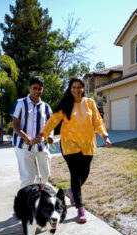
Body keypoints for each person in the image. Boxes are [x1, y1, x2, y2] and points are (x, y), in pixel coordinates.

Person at [36, 77, 111, 223]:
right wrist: (42, 133)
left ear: (83, 88)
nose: (76, 90)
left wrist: (105, 136)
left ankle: (71, 191)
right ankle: (80, 208)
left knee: (85, 173)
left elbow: (97, 120)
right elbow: (53, 121)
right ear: (70, 89)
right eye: (73, 87)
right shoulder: (66, 105)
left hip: (88, 144)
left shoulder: (90, 103)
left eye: (79, 87)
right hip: (70, 145)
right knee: (75, 175)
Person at [11, 76, 54, 188]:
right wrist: (26, 138)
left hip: (42, 146)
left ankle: (40, 203)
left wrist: (50, 136)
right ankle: (25, 204)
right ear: (29, 88)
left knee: (44, 178)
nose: (37, 91)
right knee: (28, 179)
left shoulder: (46, 107)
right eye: (34, 88)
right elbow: (15, 125)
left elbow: (50, 125)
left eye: (40, 88)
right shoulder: (20, 103)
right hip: (24, 146)